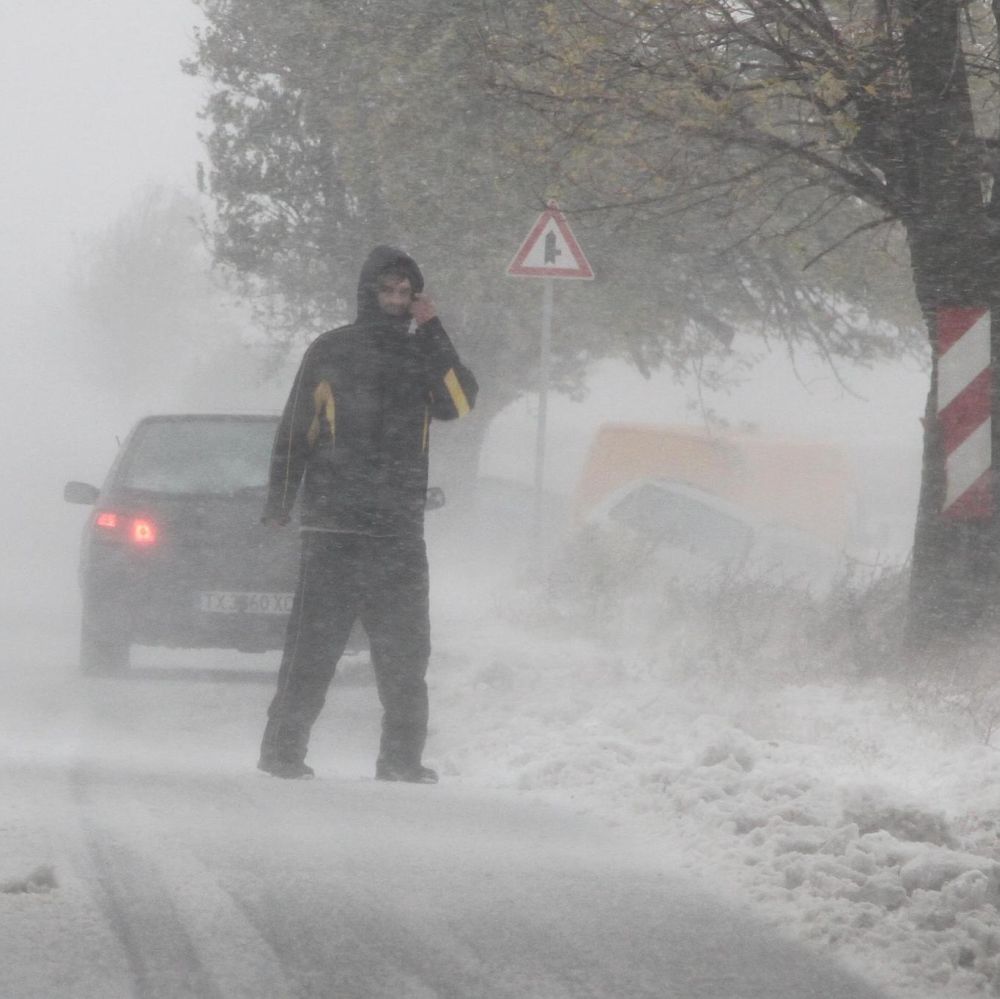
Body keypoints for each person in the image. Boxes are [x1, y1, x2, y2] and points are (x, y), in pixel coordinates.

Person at [257, 245, 478, 782]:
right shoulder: (330, 351)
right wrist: (280, 502)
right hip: (334, 528)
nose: (396, 300)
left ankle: (401, 759)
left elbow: (462, 402)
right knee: (312, 649)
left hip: (399, 533)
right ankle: (282, 752)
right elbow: (296, 431)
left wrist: (434, 330)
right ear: (368, 292)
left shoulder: (423, 353)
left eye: (406, 293)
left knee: (406, 655)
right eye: (388, 291)